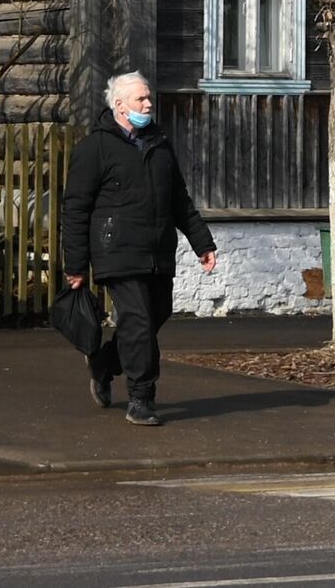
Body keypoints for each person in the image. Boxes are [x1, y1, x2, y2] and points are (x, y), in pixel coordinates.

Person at [60, 71, 217, 426]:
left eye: (148, 98)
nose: (148, 104)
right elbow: (75, 208)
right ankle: (141, 398)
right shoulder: (94, 149)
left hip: (157, 249)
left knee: (156, 314)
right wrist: (75, 264)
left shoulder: (159, 144)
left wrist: (202, 243)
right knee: (139, 321)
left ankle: (103, 364)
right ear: (119, 106)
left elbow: (179, 199)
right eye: (140, 99)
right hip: (116, 250)